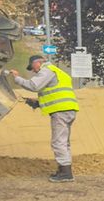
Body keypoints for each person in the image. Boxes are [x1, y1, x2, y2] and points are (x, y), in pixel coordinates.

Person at [9, 54, 79, 182]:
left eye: (33, 67)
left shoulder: (47, 70)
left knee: (58, 142)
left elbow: (33, 86)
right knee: (64, 142)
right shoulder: (58, 72)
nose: (34, 71)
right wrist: (38, 103)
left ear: (38, 63)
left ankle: (65, 173)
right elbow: (55, 94)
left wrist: (16, 78)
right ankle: (64, 169)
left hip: (61, 111)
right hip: (69, 109)